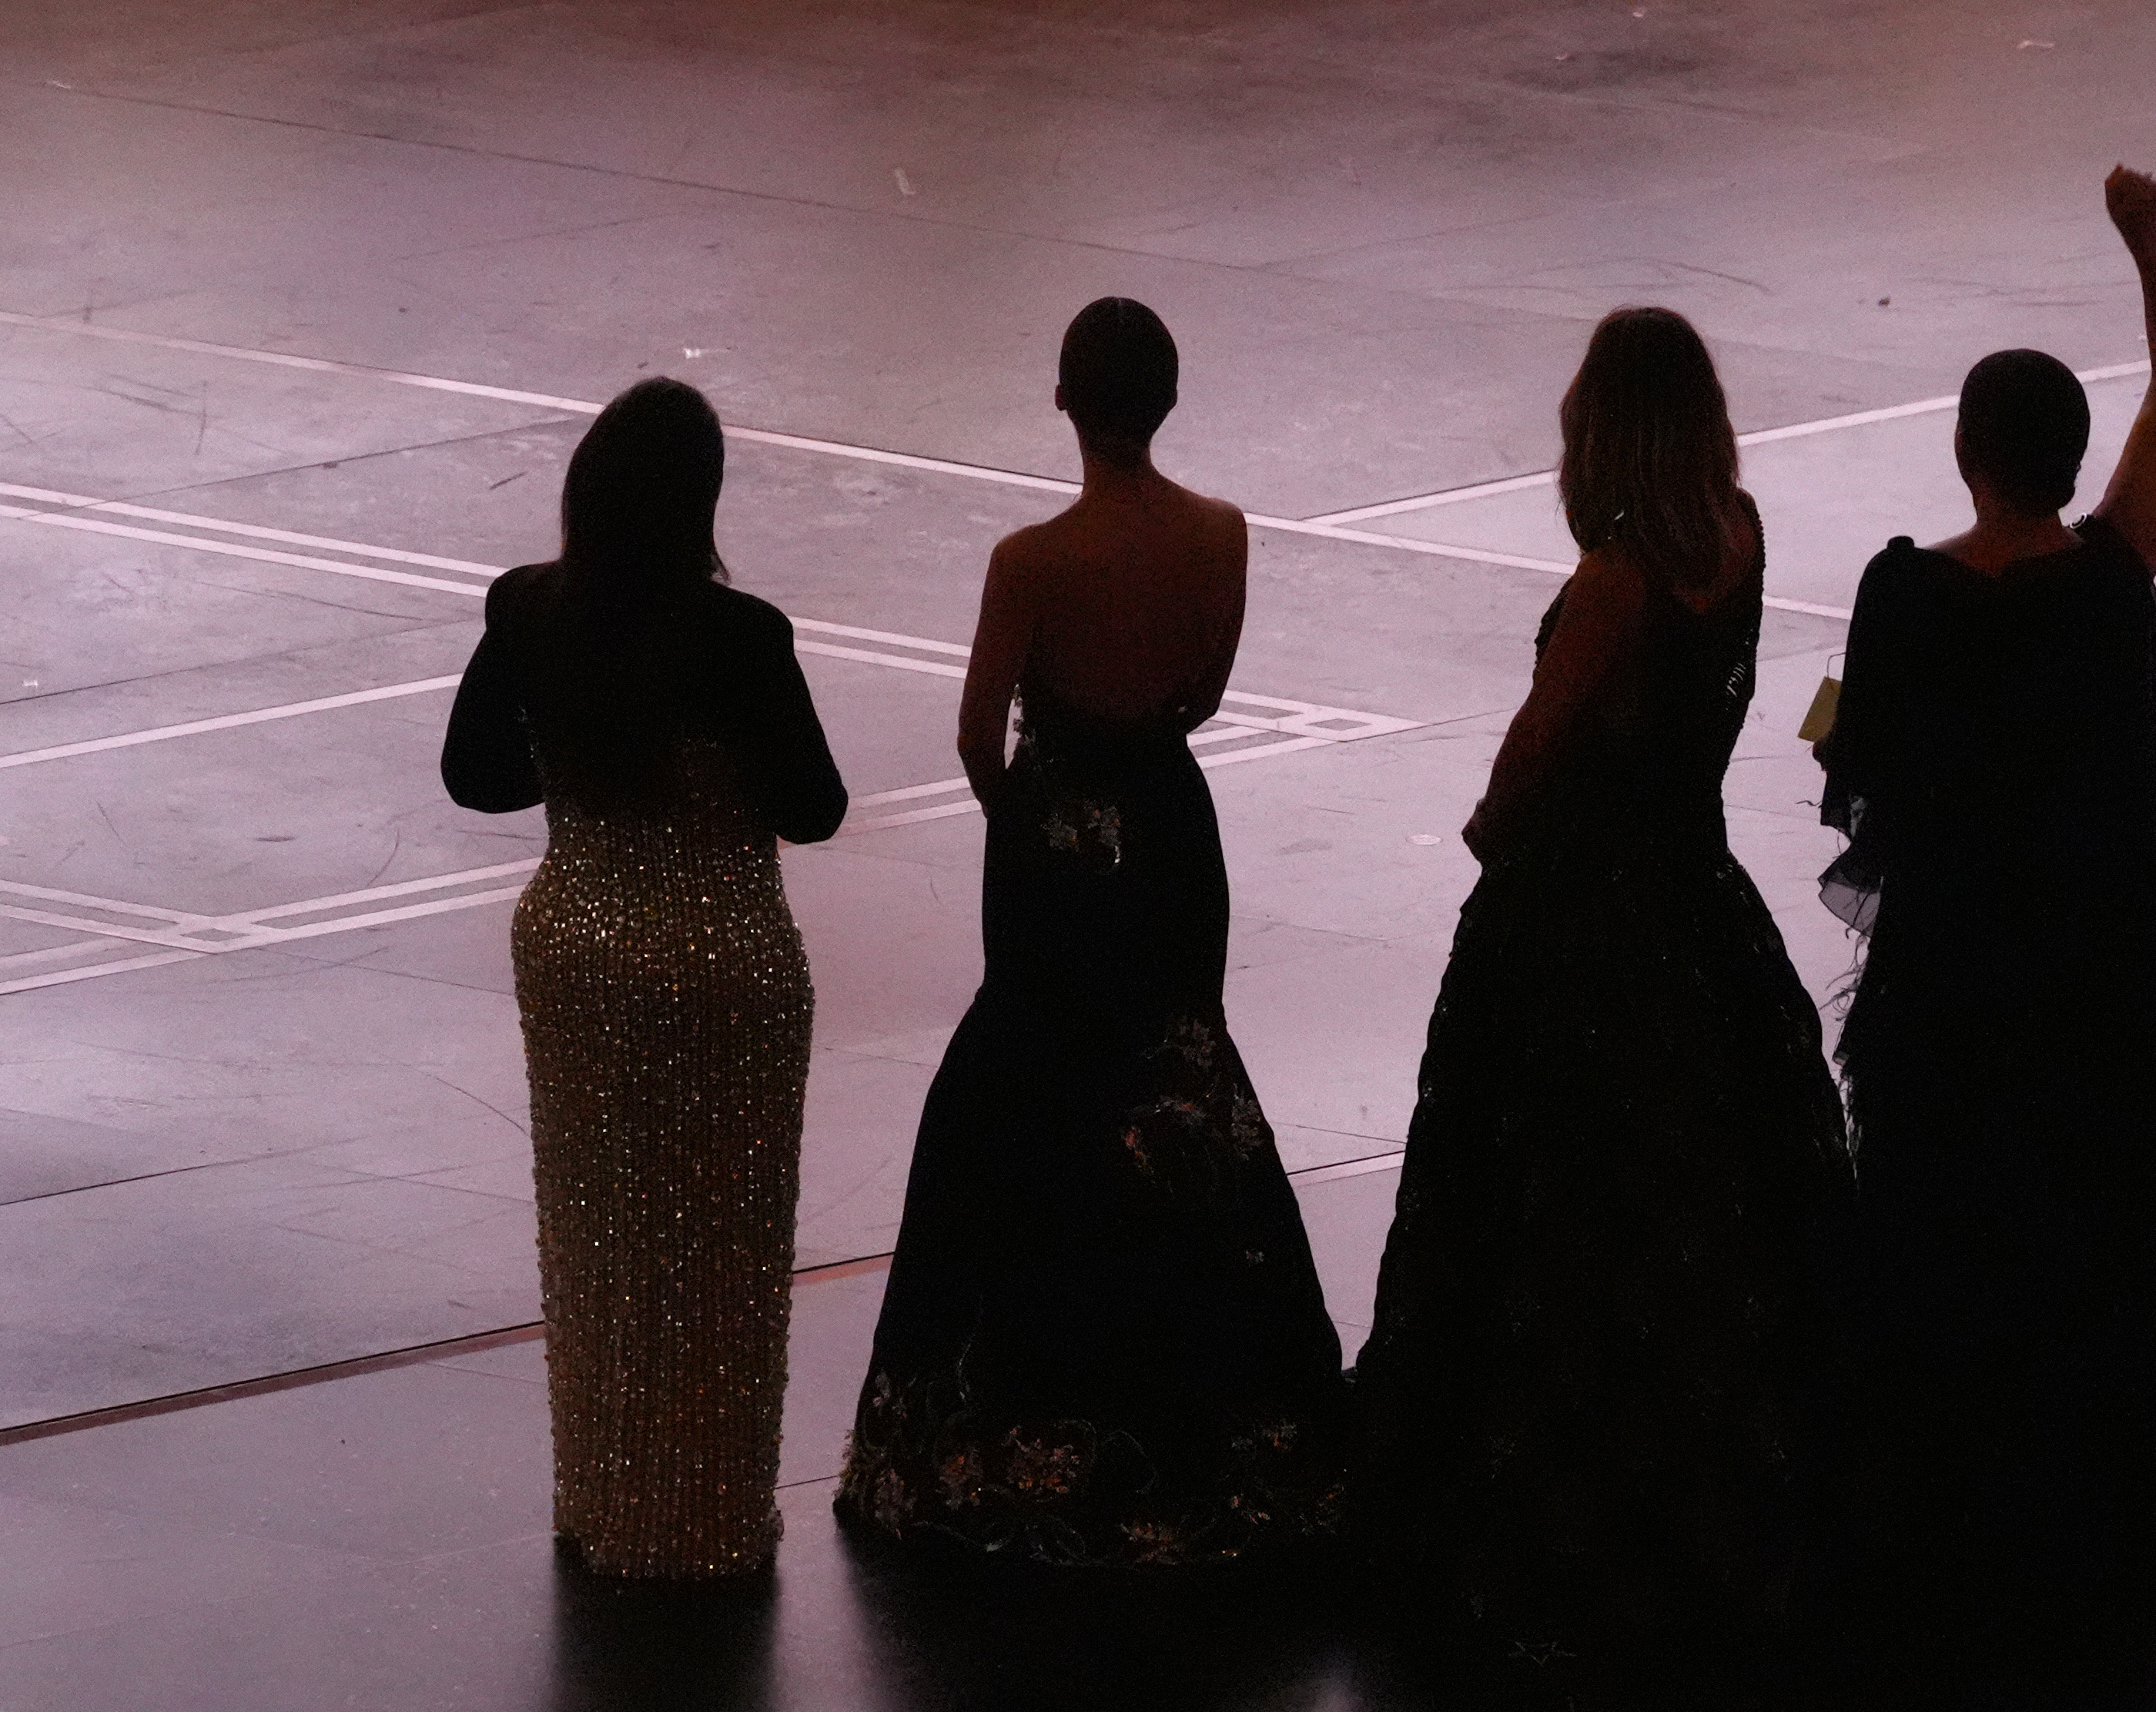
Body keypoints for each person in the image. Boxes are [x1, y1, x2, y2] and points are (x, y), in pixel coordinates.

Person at [1351, 308, 1854, 1663]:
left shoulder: (1615, 581)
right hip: (1701, 898)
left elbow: (1538, 743)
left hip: (1586, 919)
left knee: (1544, 1204)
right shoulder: (1738, 535)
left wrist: (1486, 834)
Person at [836, 298, 1344, 1565]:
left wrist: (1036, 818)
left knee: (1033, 1080)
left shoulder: (1030, 561)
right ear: (1166, 401)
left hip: (1059, 840)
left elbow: (977, 732)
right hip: (1171, 830)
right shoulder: (1221, 534)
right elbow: (1201, 694)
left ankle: (1021, 1399)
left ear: (1064, 398)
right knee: (1175, 1068)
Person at [1814, 166, 2156, 1560]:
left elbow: (1853, 758)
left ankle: (1954, 1457)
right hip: (2109, 964)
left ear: (1967, 452)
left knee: (1954, 1200)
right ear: (2071, 457)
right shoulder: (2114, 581)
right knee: (2107, 1201)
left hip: (1954, 967)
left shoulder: (1902, 590)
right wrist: (2145, 238)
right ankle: (2103, 1457)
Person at [440, 377, 845, 1581]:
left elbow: (473, 776)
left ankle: (603, 1497)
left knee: (601, 1239)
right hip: (724, 963)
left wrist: (576, 763)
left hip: (580, 950)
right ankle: (705, 1514)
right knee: (717, 1252)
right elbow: (815, 807)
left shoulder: (528, 609)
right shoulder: (744, 637)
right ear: (699, 504)